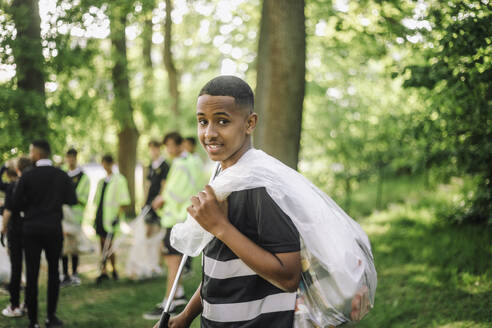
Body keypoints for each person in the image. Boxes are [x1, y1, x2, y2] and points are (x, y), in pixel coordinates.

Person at [160, 76, 302, 328]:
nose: (209, 133)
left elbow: (289, 276)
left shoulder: (259, 186)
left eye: (222, 121)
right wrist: (186, 316)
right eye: (202, 121)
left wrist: (220, 228)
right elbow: (221, 267)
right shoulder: (223, 177)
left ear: (250, 123)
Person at [12, 140, 78, 328]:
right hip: (53, 229)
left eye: (31, 152)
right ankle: (51, 317)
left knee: (31, 275)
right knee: (53, 274)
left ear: (37, 154)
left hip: (31, 230)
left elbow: (16, 204)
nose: (30, 155)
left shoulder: (27, 176)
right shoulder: (61, 175)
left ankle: (33, 322)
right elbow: (71, 200)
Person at [143, 132, 202, 320]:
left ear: (180, 145)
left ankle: (168, 304)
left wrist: (160, 200)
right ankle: (179, 295)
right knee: (174, 260)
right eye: (166, 146)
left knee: (172, 263)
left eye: (170, 146)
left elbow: (172, 192)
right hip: (184, 218)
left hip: (175, 219)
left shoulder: (179, 164)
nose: (168, 150)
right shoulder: (194, 161)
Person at [126, 140, 170, 279]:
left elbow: (164, 185)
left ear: (159, 149)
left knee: (159, 236)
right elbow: (147, 184)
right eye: (151, 149)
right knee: (148, 234)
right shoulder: (150, 166)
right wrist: (144, 202)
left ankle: (158, 265)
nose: (153, 151)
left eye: (155, 148)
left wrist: (160, 199)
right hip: (149, 206)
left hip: (160, 205)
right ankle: (150, 264)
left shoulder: (165, 166)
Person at [1, 157, 31, 318]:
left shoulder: (12, 187)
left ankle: (14, 305)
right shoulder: (29, 186)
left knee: (16, 269)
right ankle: (28, 303)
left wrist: (3, 229)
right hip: (30, 231)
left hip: (15, 233)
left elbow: (8, 211)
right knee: (30, 269)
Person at [93, 154, 130, 283]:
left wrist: (117, 216)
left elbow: (124, 201)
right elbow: (97, 201)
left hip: (110, 219)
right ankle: (103, 270)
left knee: (109, 245)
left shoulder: (119, 180)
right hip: (100, 217)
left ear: (111, 164)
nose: (105, 166)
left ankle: (113, 270)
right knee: (102, 244)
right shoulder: (101, 181)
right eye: (103, 163)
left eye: (107, 163)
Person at [60, 148, 90, 287]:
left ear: (76, 158)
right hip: (63, 216)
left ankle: (75, 273)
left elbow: (83, 198)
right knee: (64, 245)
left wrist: (71, 198)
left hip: (76, 216)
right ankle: (65, 274)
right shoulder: (63, 174)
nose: (70, 160)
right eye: (68, 157)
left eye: (72, 157)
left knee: (74, 246)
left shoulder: (83, 177)